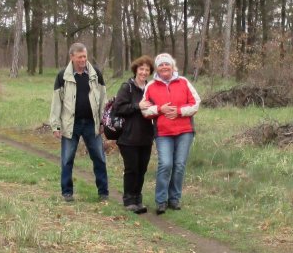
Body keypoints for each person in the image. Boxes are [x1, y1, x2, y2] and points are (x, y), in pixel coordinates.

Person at [141, 53, 201, 215]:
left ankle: (174, 199)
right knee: (166, 164)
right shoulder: (151, 86)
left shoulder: (184, 82)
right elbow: (145, 110)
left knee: (179, 165)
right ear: (157, 69)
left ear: (172, 66)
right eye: (161, 65)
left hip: (184, 131)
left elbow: (196, 103)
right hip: (163, 133)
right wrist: (161, 109)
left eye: (167, 64)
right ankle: (161, 200)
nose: (164, 67)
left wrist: (179, 112)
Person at [49, 42, 109, 202]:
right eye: (80, 57)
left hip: (92, 123)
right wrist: (55, 125)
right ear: (72, 57)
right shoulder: (63, 76)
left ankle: (103, 192)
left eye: (85, 56)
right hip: (71, 124)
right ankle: (67, 192)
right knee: (67, 159)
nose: (83, 60)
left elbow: (104, 99)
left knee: (99, 158)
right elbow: (56, 102)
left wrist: (104, 121)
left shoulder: (95, 73)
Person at [112, 55, 155, 214]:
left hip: (146, 136)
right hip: (128, 137)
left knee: (142, 169)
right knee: (132, 169)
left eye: (147, 69)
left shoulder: (151, 88)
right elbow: (118, 108)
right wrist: (138, 106)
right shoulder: (127, 87)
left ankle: (138, 199)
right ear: (136, 70)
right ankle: (129, 200)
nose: (144, 72)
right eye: (141, 69)